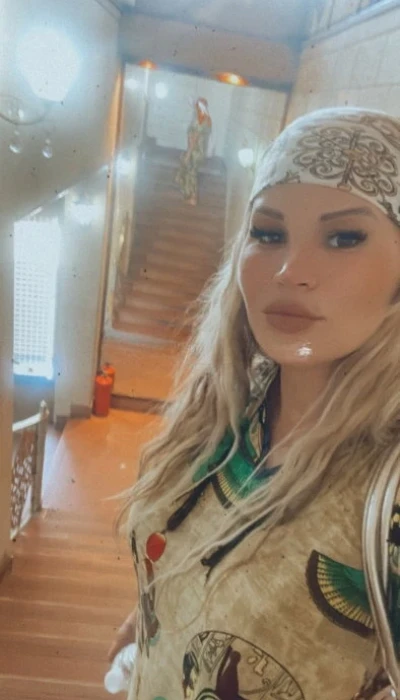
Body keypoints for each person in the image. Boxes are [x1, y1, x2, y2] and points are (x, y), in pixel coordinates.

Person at [109, 107, 400, 700]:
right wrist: (153, 612)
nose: (290, 271)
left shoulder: (387, 492)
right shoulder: (228, 409)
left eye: (344, 238)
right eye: (268, 233)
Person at [175, 97, 212, 206]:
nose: (195, 108)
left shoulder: (200, 120)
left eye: (196, 106)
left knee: (191, 173)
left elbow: (194, 139)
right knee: (192, 171)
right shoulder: (207, 119)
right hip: (200, 151)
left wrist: (188, 153)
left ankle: (192, 198)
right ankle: (191, 196)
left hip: (195, 151)